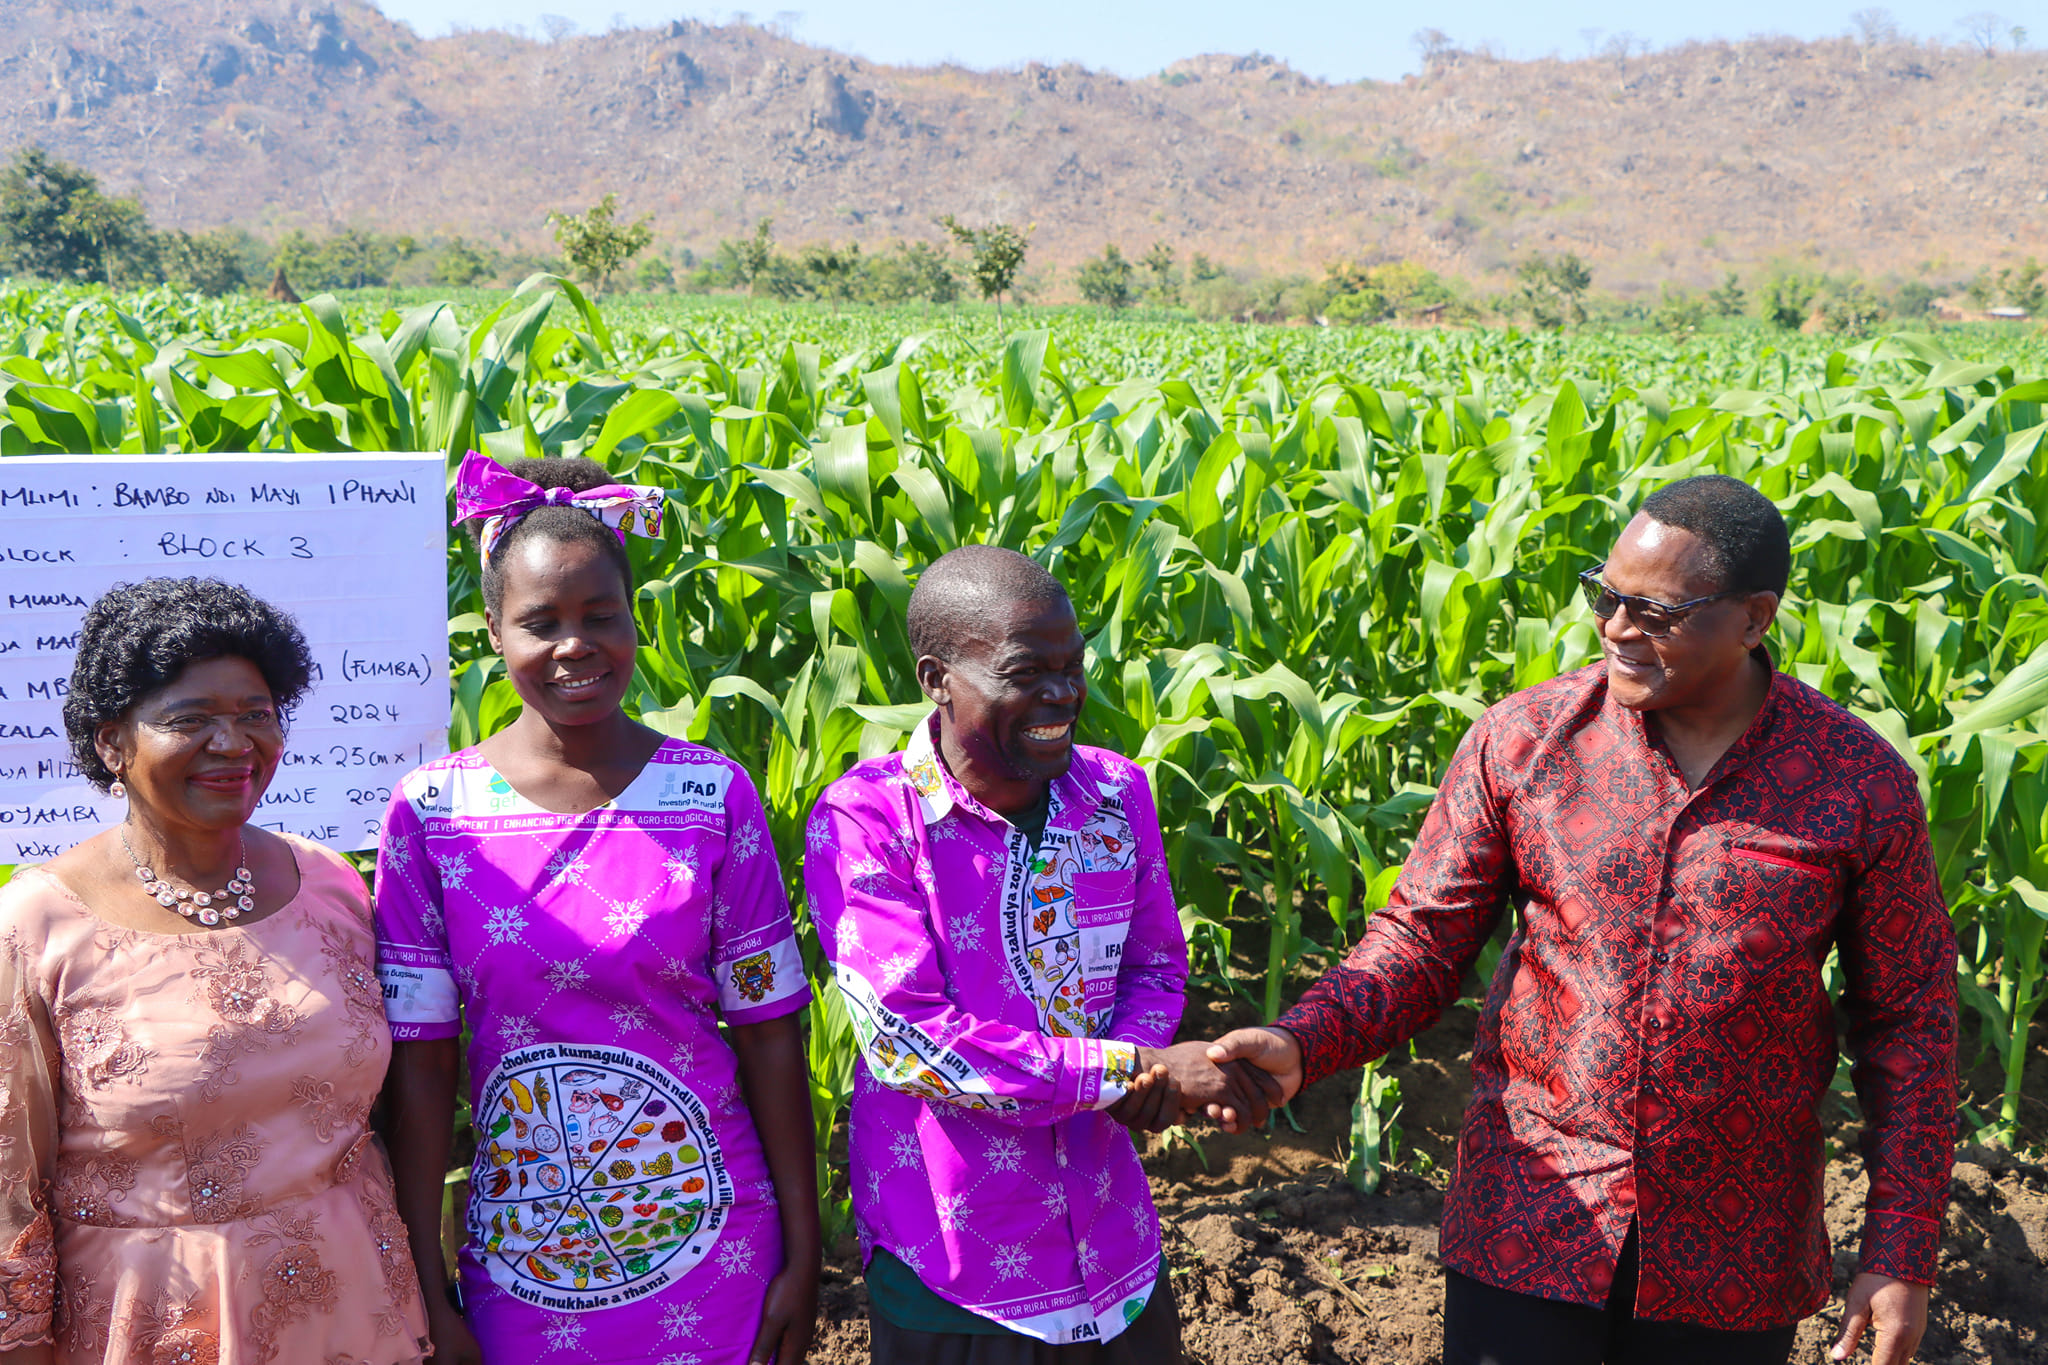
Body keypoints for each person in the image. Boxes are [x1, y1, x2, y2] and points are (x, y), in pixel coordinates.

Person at [1205, 475, 1958, 1365]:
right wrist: (1303, 1043)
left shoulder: (1856, 782)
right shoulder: (1524, 740)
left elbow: (1910, 1021)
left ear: (1755, 618)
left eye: (1658, 612)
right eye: (1607, 597)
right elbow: (1420, 939)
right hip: (1533, 1215)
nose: (1617, 629)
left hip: (1733, 1250)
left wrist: (1900, 1248)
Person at [376, 451, 818, 1365]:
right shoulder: (433, 813)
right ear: (494, 630)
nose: (574, 644)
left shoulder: (712, 794)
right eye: (541, 622)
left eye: (599, 615)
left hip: (719, 1238)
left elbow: (772, 1031)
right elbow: (419, 1066)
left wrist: (804, 1252)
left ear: (634, 620)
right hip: (525, 1251)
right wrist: (424, 1275)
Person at [804, 544, 1272, 1364]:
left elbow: (1153, 966)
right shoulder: (868, 820)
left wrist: (1146, 1072)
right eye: (1026, 673)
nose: (1062, 694)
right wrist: (1129, 1071)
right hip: (956, 1272)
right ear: (936, 677)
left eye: (1072, 666)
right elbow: (909, 1038)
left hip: (1115, 1248)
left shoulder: (1117, 795)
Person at [0, 576, 432, 1364]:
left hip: (356, 1307)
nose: (234, 744)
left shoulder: (331, 883)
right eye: (190, 719)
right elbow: (7, 1180)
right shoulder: (37, 923)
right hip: (154, 1323)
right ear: (112, 743)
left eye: (255, 715)